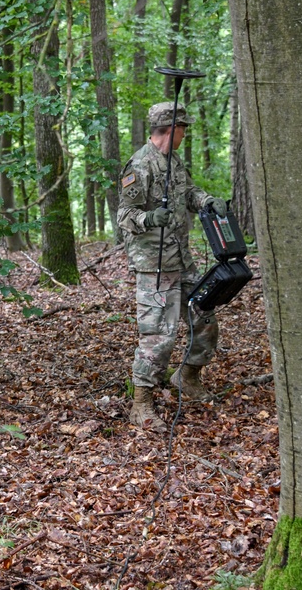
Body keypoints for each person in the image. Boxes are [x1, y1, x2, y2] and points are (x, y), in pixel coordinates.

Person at [116, 101, 226, 431]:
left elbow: (188, 191)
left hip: (181, 257)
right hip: (155, 264)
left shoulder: (173, 161)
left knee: (205, 315)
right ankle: (141, 404)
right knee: (158, 335)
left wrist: (206, 201)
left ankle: (187, 378)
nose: (185, 134)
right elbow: (125, 215)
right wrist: (148, 217)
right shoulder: (140, 165)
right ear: (169, 129)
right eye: (183, 128)